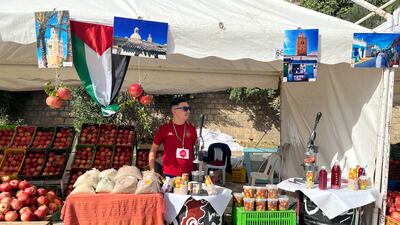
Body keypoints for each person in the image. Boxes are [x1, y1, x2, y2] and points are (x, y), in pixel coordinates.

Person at [149, 97, 198, 178]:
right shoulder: (164, 128)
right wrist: (152, 170)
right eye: (185, 108)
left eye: (189, 108)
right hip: (169, 174)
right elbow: (153, 150)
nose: (188, 111)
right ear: (174, 111)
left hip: (188, 174)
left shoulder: (191, 128)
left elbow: (194, 149)